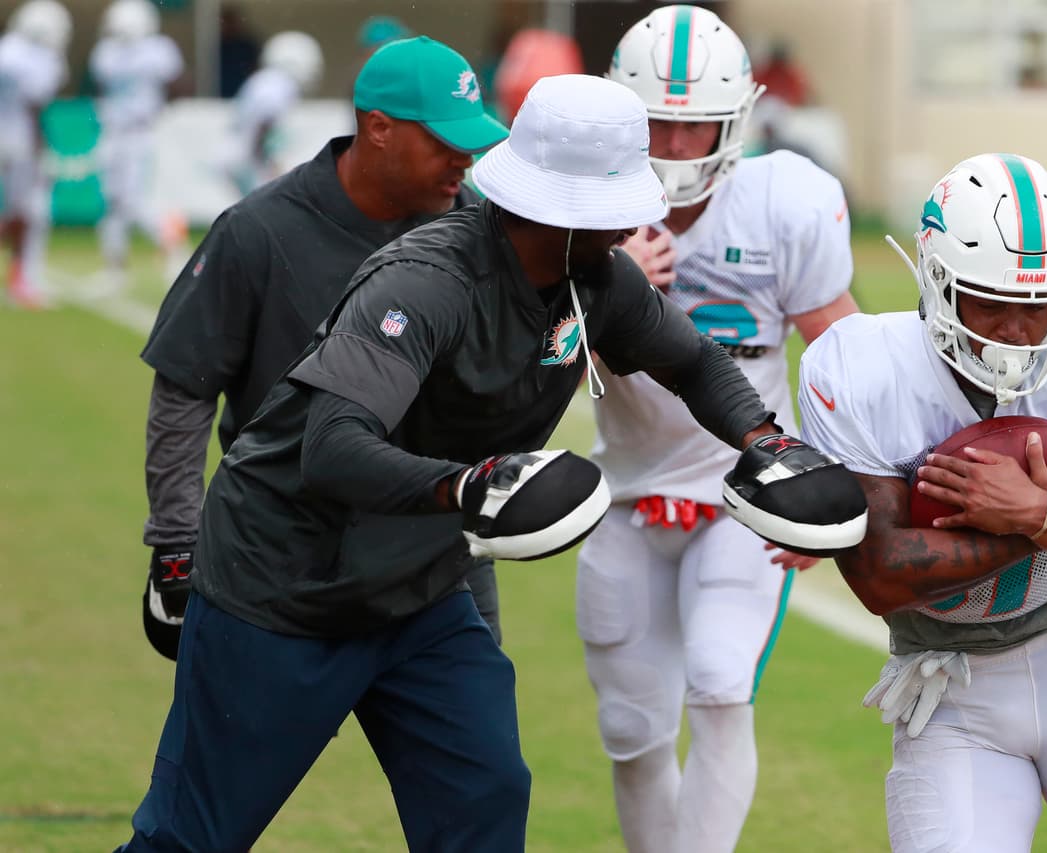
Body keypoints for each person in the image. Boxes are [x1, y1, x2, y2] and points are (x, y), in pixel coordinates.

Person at [117, 72, 830, 852]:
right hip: (284, 586)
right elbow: (332, 446)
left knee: (485, 800)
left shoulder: (594, 277)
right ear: (557, 208)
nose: (632, 223)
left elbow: (694, 361)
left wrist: (769, 443)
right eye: (616, 205)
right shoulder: (426, 282)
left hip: (422, 593)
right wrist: (468, 485)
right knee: (189, 840)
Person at [798, 152, 1047, 852]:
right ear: (938, 283)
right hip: (949, 696)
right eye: (993, 301)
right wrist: (1035, 519)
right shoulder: (863, 370)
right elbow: (879, 573)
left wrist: (1037, 514)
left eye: (1041, 305)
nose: (1018, 329)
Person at [575, 7, 860, 852]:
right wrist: (594, 281)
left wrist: (830, 487)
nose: (673, 145)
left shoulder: (785, 202)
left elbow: (844, 352)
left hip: (744, 494)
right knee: (630, 728)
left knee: (719, 682)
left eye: (693, 124)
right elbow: (511, 350)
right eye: (656, 123)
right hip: (627, 491)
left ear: (733, 121)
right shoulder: (575, 205)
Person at [139, 36, 508, 663]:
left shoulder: (478, 229)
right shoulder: (258, 230)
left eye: (471, 141)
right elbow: (185, 391)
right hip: (278, 554)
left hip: (437, 553)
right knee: (238, 760)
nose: (465, 160)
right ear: (380, 128)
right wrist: (177, 539)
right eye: (446, 142)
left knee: (482, 761)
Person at [89, 0, 186, 283]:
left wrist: (155, 110)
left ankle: (174, 247)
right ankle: (114, 267)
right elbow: (102, 88)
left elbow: (177, 83)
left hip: (139, 133)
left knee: (132, 203)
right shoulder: (105, 52)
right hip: (113, 131)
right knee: (112, 202)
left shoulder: (158, 50)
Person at [0, 0, 70, 308]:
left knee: (19, 212)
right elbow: (33, 106)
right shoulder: (37, 59)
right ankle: (23, 279)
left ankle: (21, 277)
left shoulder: (7, 49)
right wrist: (42, 147)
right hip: (17, 142)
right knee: (31, 212)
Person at [225, 29, 323, 196]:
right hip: (249, 161)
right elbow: (265, 121)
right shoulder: (279, 85)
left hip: (241, 157)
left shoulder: (265, 80)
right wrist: (267, 162)